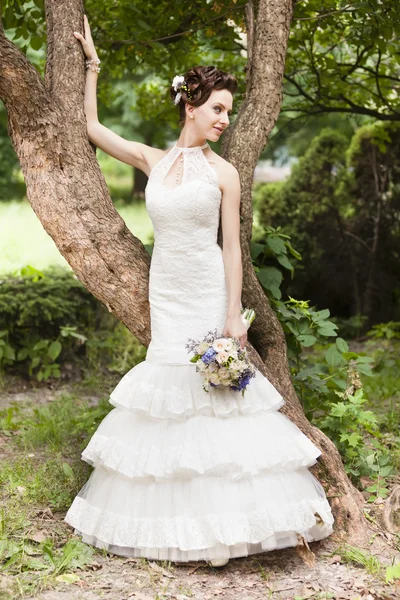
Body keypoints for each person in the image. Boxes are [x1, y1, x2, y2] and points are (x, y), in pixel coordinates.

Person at [65, 15, 334, 567]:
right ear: (191, 105)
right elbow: (92, 128)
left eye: (229, 111)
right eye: (217, 108)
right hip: (167, 291)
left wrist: (235, 313)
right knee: (168, 397)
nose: (223, 119)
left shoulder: (226, 173)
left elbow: (232, 246)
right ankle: (172, 525)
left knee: (218, 402)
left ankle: (232, 524)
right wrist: (93, 66)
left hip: (208, 291)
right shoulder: (153, 161)